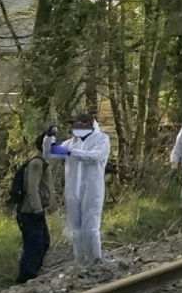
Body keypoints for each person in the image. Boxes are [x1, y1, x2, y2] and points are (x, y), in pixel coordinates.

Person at [46, 113, 111, 265]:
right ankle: (80, 260)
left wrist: (70, 152)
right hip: (72, 190)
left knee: (91, 227)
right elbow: (48, 154)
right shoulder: (70, 143)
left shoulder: (101, 139)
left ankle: (96, 260)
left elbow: (95, 156)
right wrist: (48, 139)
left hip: (92, 189)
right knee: (76, 228)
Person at [14, 131, 54, 283]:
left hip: (36, 210)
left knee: (43, 242)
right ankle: (25, 277)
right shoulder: (37, 163)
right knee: (34, 244)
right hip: (30, 211)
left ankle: (33, 272)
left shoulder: (43, 162)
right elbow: (32, 189)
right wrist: (37, 210)